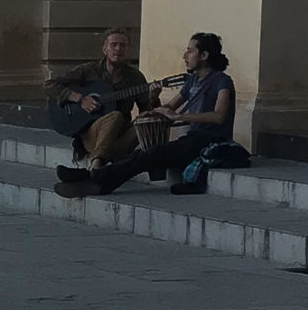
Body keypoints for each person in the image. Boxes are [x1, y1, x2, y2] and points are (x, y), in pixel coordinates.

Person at [78, 32, 238, 196]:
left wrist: (179, 117)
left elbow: (219, 116)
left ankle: (97, 178)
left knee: (151, 154)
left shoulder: (222, 81)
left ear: (204, 55)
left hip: (212, 141)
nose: (185, 56)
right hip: (193, 139)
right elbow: (169, 107)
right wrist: (154, 99)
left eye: (190, 51)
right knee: (146, 153)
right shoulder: (192, 81)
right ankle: (97, 179)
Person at [50, 26, 155, 181]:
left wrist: (153, 98)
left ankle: (95, 170)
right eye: (114, 45)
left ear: (128, 50)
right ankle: (98, 166)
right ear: (105, 49)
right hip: (92, 135)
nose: (118, 49)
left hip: (120, 139)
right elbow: (50, 85)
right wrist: (79, 98)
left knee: (147, 121)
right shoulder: (88, 70)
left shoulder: (136, 77)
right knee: (115, 116)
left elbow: (146, 110)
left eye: (123, 45)